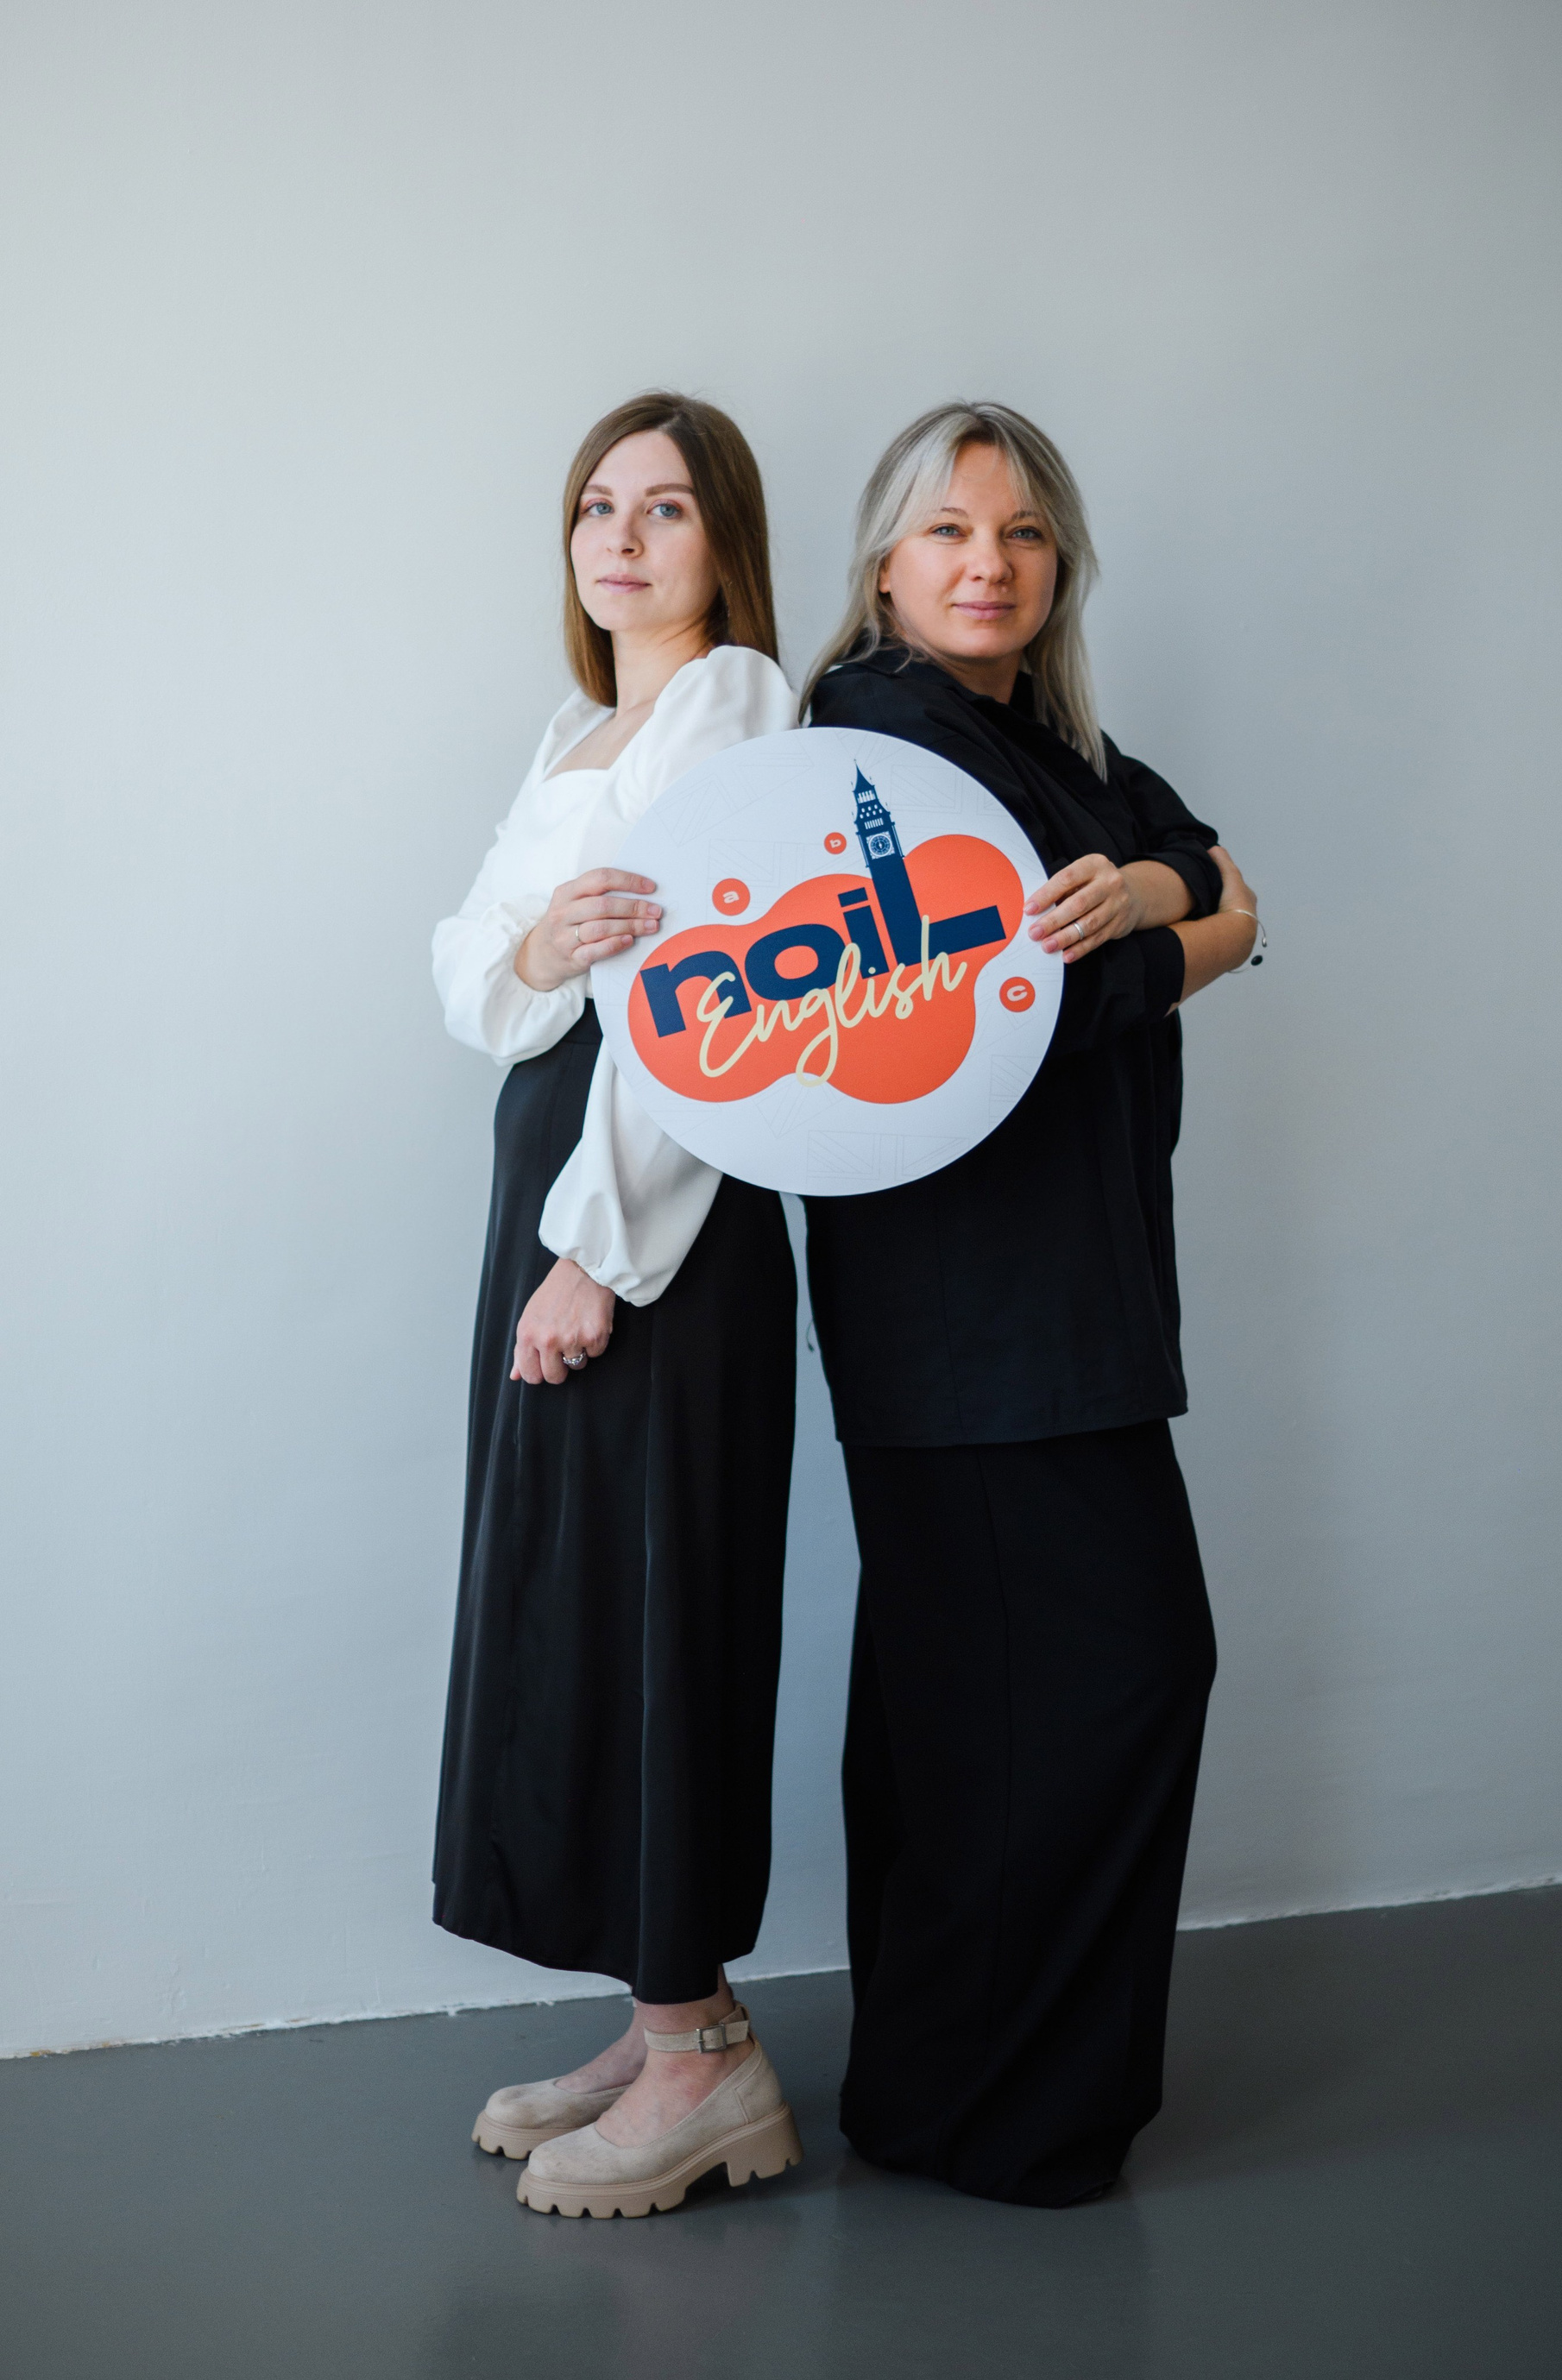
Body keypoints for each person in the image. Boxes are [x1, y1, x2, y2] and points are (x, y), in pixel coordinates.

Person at [797, 402, 1262, 2207]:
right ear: (885, 562)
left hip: (1066, 1291)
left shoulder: (1051, 736)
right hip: (969, 1310)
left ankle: (944, 2097)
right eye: (947, 531)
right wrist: (1182, 932)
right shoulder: (879, 730)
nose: (987, 564)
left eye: (1022, 533)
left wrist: (1147, 891)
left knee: (968, 1698)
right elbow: (1003, 1006)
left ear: (1060, 562)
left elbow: (1221, 877)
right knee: (1102, 1672)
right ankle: (1006, 2114)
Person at [430, 392, 804, 2219]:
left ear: (724, 540)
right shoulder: (576, 727)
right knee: (578, 1598)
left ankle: (703, 2057)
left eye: (664, 507)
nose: (622, 538)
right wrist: (530, 947)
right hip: (555, 1193)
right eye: (597, 504)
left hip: (656, 1220)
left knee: (658, 1603)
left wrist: (599, 1251)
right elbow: (467, 971)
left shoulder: (734, 699)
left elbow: (712, 1002)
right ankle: (672, 2014)